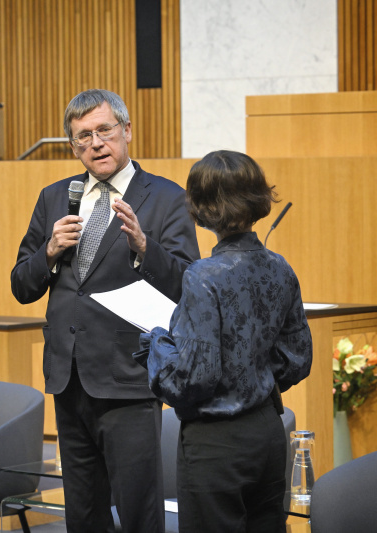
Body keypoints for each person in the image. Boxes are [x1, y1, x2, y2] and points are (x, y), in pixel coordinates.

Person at [11, 89, 200, 532]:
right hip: (68, 378)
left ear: (127, 131)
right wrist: (50, 251)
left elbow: (188, 286)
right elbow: (22, 285)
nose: (95, 144)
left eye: (104, 131)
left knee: (138, 513)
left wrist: (144, 248)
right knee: (83, 514)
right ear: (73, 146)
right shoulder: (55, 197)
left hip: (129, 380)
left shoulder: (167, 198)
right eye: (82, 138)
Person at [136, 150, 313, 532]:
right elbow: (298, 358)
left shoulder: (203, 276)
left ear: (199, 206)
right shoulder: (281, 267)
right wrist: (252, 376)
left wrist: (155, 345)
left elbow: (192, 380)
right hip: (268, 432)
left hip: (217, 444)